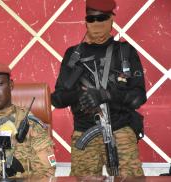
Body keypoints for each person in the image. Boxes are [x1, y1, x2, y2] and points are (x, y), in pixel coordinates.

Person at [51, 0, 147, 176]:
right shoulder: (73, 55)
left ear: (112, 19)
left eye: (102, 18)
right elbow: (57, 99)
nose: (96, 24)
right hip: (84, 132)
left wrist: (105, 94)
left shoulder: (124, 51)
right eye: (91, 19)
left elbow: (138, 97)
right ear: (85, 21)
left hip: (120, 131)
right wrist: (80, 94)